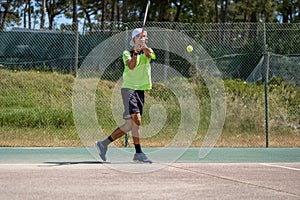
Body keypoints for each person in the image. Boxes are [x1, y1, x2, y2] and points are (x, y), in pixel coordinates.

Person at [96, 28, 156, 163]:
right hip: (129, 89)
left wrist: (142, 46)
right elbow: (131, 66)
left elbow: (149, 54)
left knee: (130, 125)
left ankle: (104, 144)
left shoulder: (148, 51)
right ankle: (139, 153)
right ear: (135, 38)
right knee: (137, 120)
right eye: (141, 36)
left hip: (140, 90)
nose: (144, 38)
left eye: (145, 36)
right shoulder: (126, 53)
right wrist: (135, 52)